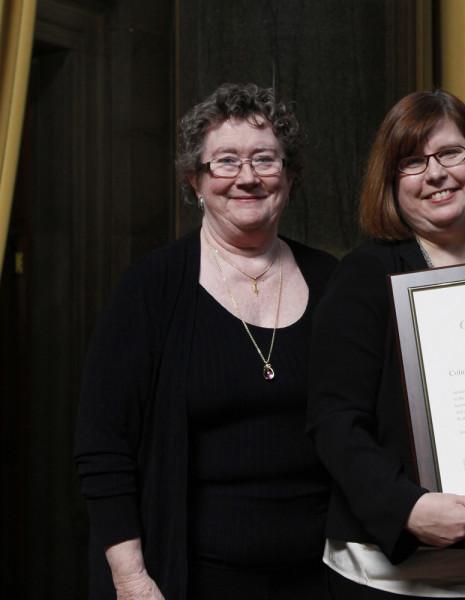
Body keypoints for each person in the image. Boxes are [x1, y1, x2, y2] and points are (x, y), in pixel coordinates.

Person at [74, 83, 337, 600]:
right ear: (195, 180)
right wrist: (130, 578)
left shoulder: (332, 280)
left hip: (323, 576)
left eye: (265, 159)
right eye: (225, 162)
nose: (247, 177)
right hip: (189, 577)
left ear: (289, 177)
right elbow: (102, 445)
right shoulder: (152, 287)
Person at [307, 90, 465, 599]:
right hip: (394, 580)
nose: (436, 173)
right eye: (412, 162)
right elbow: (334, 422)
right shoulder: (364, 275)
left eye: (451, 153)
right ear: (391, 183)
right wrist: (406, 508)